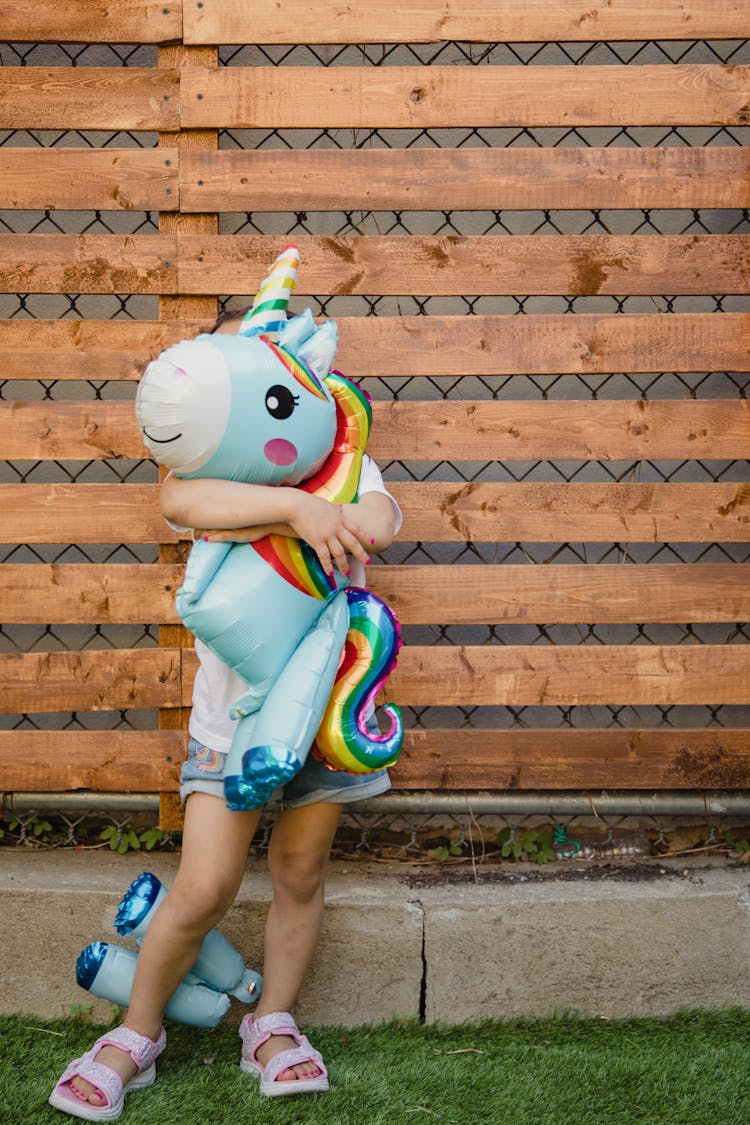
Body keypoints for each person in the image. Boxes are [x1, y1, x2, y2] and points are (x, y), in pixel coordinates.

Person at [49, 309, 402, 1118]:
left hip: (322, 715)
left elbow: (380, 518)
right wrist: (293, 512)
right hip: (228, 727)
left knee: (299, 873)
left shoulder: (339, 461)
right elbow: (183, 497)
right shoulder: (206, 466)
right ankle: (137, 1033)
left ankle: (272, 1020)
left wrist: (335, 505)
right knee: (204, 885)